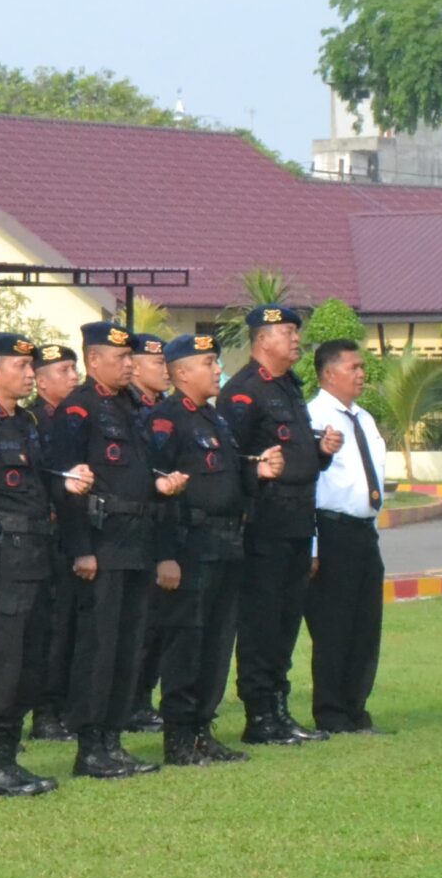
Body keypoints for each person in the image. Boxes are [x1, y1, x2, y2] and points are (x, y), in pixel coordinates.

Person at [0, 332, 92, 797]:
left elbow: (36, 487)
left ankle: (8, 756)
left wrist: (66, 486)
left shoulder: (24, 424)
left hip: (32, 561)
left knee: (28, 666)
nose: (30, 374)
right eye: (21, 367)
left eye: (32, 367)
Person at [141, 333, 276, 766]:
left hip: (226, 545)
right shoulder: (165, 420)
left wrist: (261, 473)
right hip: (189, 546)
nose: (218, 370)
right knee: (187, 644)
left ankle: (202, 728)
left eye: (216, 363)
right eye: (208, 363)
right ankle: (179, 737)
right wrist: (164, 554)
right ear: (181, 373)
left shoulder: (215, 420)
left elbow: (230, 480)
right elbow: (156, 491)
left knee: (218, 644)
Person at [45, 321, 165, 780]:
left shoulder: (129, 407)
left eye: (131, 358)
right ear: (94, 361)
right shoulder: (78, 411)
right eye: (121, 358)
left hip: (135, 540)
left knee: (127, 646)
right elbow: (65, 484)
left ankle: (113, 738)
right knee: (98, 647)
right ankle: (90, 744)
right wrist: (80, 549)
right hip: (101, 541)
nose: (129, 365)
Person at [223, 303, 346, 746]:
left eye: (296, 331)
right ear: (262, 339)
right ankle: (260, 715)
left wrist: (322, 450)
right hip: (264, 523)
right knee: (261, 622)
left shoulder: (289, 386)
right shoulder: (244, 391)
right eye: (287, 331)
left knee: (286, 621)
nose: (296, 338)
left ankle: (278, 708)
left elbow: (294, 451)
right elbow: (229, 457)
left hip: (297, 519)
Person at [305, 339, 390, 735]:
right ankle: (332, 711)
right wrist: (314, 545)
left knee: (365, 626)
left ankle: (356, 708)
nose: (361, 374)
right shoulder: (314, 416)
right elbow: (311, 486)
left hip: (362, 533)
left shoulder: (365, 419)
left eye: (361, 366)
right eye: (352, 367)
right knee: (334, 627)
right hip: (331, 530)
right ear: (328, 373)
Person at [24, 342, 82, 744]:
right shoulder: (33, 421)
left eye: (73, 369)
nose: (73, 377)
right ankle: (45, 711)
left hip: (76, 535)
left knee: (74, 628)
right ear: (41, 382)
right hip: (45, 538)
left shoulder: (77, 417)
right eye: (63, 371)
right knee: (51, 629)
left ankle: (65, 706)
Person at [123, 331, 173, 733]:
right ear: (135, 367)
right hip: (136, 529)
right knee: (137, 627)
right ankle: (131, 702)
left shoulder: (163, 409)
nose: (166, 370)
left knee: (156, 625)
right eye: (158, 363)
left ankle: (142, 698)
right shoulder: (131, 409)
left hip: (164, 524)